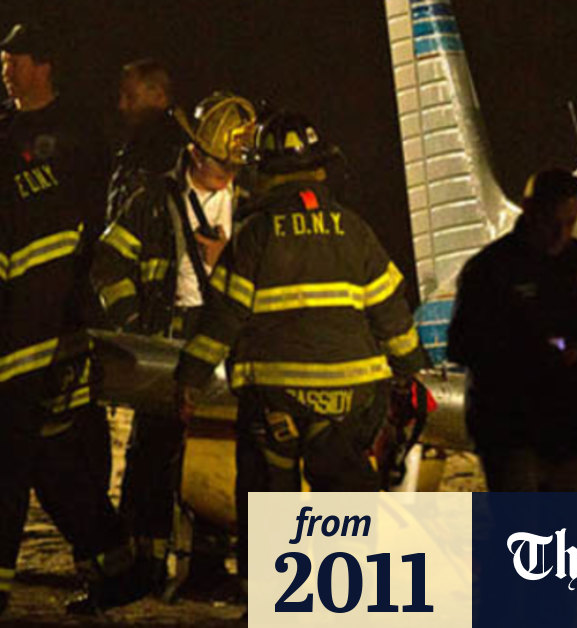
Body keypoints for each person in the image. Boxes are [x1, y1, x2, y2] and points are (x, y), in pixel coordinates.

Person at [173, 110, 428, 583]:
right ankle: (345, 594)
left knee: (269, 499)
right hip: (351, 399)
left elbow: (222, 320)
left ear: (265, 171)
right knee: (346, 501)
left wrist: (189, 379)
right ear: (320, 168)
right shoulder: (355, 230)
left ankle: (275, 595)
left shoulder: (255, 235)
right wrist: (413, 371)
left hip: (277, 400)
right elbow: (393, 316)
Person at [0, 22, 147, 615]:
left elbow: (90, 229)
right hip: (20, 325)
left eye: (15, 61)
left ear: (44, 66)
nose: (5, 71)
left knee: (14, 458)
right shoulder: (6, 133)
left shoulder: (79, 133)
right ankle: (118, 566)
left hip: (50, 327)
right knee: (50, 461)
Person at [90, 91, 255, 591]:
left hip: (226, 335)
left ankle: (207, 568)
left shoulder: (252, 205)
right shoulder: (153, 200)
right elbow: (109, 263)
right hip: (168, 334)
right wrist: (134, 324)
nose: (228, 174)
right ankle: (143, 563)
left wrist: (226, 259)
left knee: (221, 449)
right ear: (195, 151)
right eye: (221, 164)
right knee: (153, 453)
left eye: (235, 165)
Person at [446, 168, 577, 491]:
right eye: (550, 222)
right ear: (529, 210)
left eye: (570, 224)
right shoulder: (489, 269)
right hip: (512, 438)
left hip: (572, 438)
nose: (560, 234)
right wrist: (537, 352)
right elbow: (461, 346)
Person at [107, 58, 186, 222]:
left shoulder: (170, 151)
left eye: (131, 97)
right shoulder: (135, 144)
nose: (122, 105)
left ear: (159, 96)